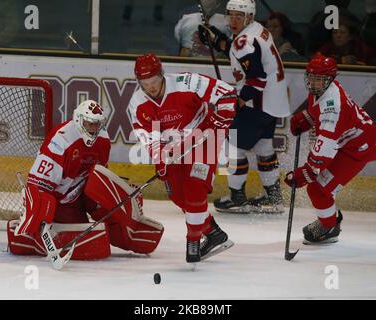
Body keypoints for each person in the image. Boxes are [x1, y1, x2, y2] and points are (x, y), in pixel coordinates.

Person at [7, 100, 164, 260]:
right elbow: (39, 185)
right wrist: (40, 215)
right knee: (96, 245)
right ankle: (34, 239)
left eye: (97, 124)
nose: (94, 129)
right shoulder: (61, 139)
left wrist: (121, 191)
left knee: (115, 194)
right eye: (89, 124)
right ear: (79, 119)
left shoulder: (103, 139)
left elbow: (100, 174)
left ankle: (130, 231)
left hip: (81, 193)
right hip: (61, 202)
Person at [129, 53, 237, 263]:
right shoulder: (137, 104)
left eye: (154, 81)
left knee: (194, 189)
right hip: (173, 149)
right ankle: (214, 234)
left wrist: (219, 121)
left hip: (205, 137)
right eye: (145, 83)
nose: (151, 87)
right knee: (179, 197)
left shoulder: (187, 82)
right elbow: (149, 138)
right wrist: (160, 159)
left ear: (161, 74)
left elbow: (227, 94)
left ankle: (193, 242)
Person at [198, 0, 291, 214]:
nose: (233, 19)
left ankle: (237, 197)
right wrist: (221, 44)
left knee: (232, 147)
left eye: (239, 16)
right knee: (263, 147)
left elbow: (256, 78)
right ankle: (273, 196)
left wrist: (238, 102)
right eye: (230, 14)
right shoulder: (259, 30)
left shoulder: (244, 41)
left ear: (249, 17)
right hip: (272, 103)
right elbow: (247, 56)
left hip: (257, 102)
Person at [285, 54, 376, 244]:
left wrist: (306, 172)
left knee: (317, 189)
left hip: (357, 149)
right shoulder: (325, 89)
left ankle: (329, 226)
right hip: (348, 142)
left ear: (330, 79)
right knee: (318, 187)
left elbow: (325, 146)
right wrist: (308, 117)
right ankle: (329, 220)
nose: (314, 84)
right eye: (311, 78)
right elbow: (320, 114)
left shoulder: (333, 107)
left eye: (319, 80)